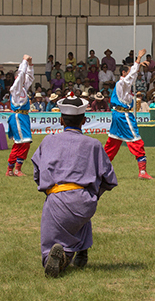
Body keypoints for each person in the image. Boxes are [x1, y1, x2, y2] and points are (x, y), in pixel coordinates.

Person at [31, 94, 118, 278]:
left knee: (51, 250)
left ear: (60, 120)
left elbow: (37, 173)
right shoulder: (94, 144)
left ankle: (61, 259)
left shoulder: (48, 141)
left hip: (57, 198)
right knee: (80, 212)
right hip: (85, 202)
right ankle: (83, 249)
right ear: (85, 120)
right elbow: (110, 179)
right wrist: (93, 194)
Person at [105, 49, 153, 179]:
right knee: (136, 140)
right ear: (123, 73)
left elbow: (132, 76)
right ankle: (142, 172)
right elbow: (130, 77)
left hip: (118, 115)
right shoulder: (122, 83)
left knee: (113, 142)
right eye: (131, 72)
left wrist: (137, 67)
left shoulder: (124, 85)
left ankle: (99, 169)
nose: (134, 74)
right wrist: (137, 59)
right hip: (123, 115)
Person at [4, 55, 34, 176]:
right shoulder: (15, 89)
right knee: (21, 143)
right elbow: (22, 74)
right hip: (18, 117)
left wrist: (30, 65)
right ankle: (13, 169)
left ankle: (15, 168)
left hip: (24, 117)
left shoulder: (23, 89)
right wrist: (24, 62)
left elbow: (29, 77)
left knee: (24, 143)